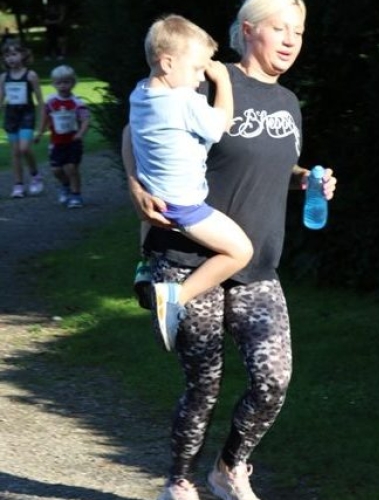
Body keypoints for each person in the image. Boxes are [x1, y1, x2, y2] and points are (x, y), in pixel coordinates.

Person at [122, 1, 337, 499]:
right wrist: (135, 187)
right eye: (280, 28)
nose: (291, 40)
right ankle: (179, 482)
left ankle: (229, 469)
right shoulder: (207, 77)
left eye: (299, 32)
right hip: (189, 258)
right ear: (248, 30)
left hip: (256, 262)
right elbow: (137, 129)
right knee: (204, 385)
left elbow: (270, 168)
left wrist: (306, 180)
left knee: (273, 380)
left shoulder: (288, 102)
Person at [129, 14, 253, 352]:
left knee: (148, 218)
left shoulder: (140, 94)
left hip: (155, 192)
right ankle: (175, 296)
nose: (201, 78)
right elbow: (220, 125)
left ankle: (144, 265)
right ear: (167, 63)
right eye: (197, 69)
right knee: (241, 251)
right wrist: (222, 81)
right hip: (184, 204)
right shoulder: (183, 101)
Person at [35, 65, 90, 208]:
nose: (63, 86)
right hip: (56, 142)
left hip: (72, 142)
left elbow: (85, 120)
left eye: (66, 82)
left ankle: (76, 195)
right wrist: (39, 133)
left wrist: (80, 133)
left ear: (73, 83)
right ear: (53, 84)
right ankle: (65, 185)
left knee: (71, 168)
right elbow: (45, 118)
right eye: (59, 83)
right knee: (56, 170)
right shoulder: (51, 102)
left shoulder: (77, 103)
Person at [0, 40, 44, 198]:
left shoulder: (31, 75)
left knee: (24, 148)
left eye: (14, 54)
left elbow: (40, 101)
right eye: (7, 55)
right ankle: (18, 185)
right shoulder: (4, 77)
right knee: (15, 152)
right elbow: (1, 98)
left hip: (27, 115)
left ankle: (35, 175)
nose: (10, 58)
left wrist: (40, 127)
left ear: (23, 54)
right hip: (11, 116)